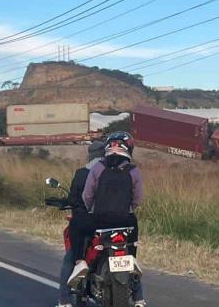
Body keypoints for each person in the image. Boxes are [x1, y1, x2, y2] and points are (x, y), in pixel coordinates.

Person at [71, 131, 146, 306]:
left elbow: (87, 195)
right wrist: (128, 210)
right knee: (132, 237)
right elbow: (138, 199)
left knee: (76, 225)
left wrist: (90, 209)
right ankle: (132, 259)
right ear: (129, 149)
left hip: (99, 220)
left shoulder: (98, 167)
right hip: (125, 221)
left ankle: (80, 261)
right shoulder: (133, 170)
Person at [56, 140, 103, 307]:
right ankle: (138, 297)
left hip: (85, 222)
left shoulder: (82, 173)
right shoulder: (113, 172)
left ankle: (64, 300)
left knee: (70, 258)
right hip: (110, 222)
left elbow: (74, 199)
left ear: (90, 155)